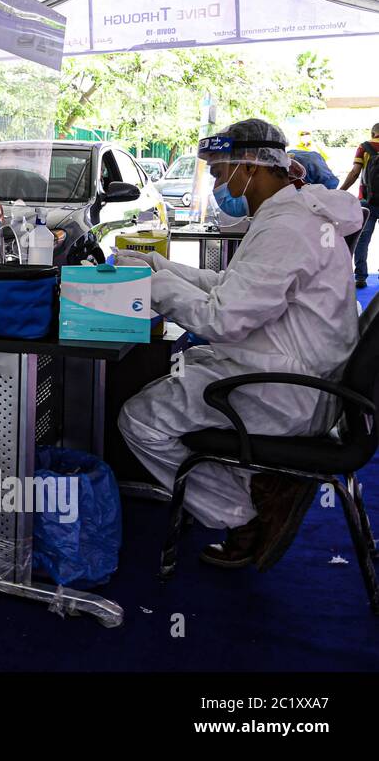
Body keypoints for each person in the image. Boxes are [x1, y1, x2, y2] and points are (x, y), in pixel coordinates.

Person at [116, 118, 363, 571]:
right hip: (302, 374)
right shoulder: (293, 215)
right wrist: (162, 268)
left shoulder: (285, 230)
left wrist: (150, 287)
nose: (216, 181)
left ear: (250, 166)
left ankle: (246, 512)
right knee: (181, 376)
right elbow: (232, 285)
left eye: (218, 170)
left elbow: (223, 317)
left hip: (289, 390)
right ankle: (256, 481)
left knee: (141, 420)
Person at [338, 123, 379, 288]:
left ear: (372, 133)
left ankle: (361, 276)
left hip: (367, 200)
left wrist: (341, 191)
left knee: (363, 239)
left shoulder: (364, 147)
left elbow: (355, 172)